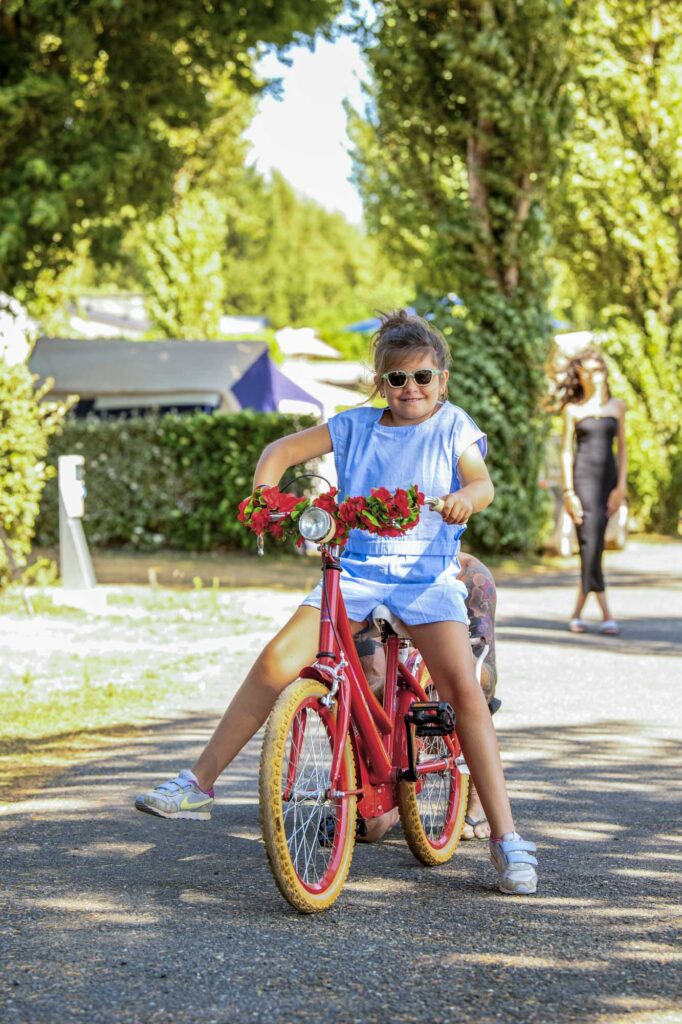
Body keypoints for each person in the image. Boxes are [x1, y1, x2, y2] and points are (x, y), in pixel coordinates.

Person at [135, 310, 538, 896]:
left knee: (462, 692)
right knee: (278, 661)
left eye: (423, 377)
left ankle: (506, 838)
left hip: (425, 576)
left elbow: (483, 481)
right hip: (354, 569)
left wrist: (464, 500)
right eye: (397, 380)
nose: (411, 390)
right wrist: (267, 500)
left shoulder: (454, 427)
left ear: (443, 380)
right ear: (380, 384)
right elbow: (277, 452)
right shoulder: (354, 427)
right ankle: (198, 782)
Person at [354, 551, 498, 842]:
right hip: (375, 581)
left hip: (442, 583)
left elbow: (485, 677)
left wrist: (449, 663)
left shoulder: (469, 574)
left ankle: (478, 801)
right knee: (368, 686)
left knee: (474, 681)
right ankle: (372, 781)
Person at [559, 348, 627, 635]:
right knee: (589, 543)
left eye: (597, 369)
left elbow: (623, 449)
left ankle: (578, 613)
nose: (593, 375)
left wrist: (620, 488)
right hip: (583, 482)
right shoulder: (572, 410)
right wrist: (568, 492)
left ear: (604, 372)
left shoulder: (618, 407)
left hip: (608, 482)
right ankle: (604, 613)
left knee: (594, 544)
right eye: (586, 371)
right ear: (580, 375)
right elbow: (566, 453)